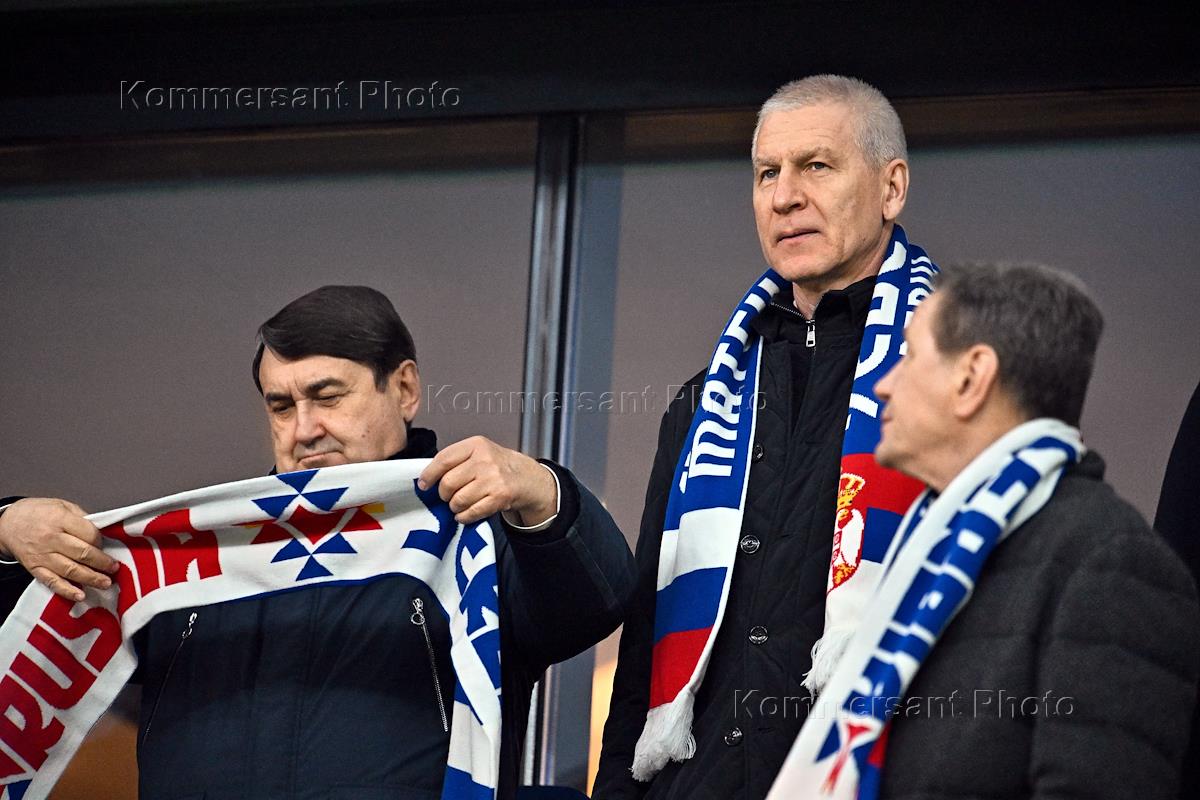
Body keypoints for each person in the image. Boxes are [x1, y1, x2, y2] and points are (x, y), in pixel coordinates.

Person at [0, 285, 637, 800]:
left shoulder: (473, 528)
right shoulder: (190, 549)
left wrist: (545, 494)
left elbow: (598, 602)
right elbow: (28, 640)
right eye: (281, 407)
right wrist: (6, 530)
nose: (304, 429)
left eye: (326, 396)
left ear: (404, 388)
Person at [595, 74, 937, 799]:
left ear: (892, 188)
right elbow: (646, 636)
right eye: (766, 173)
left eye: (816, 166)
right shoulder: (705, 401)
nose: (784, 197)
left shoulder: (955, 385)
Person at [767, 263, 1199, 798]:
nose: (883, 385)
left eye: (907, 356)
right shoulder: (935, 548)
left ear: (972, 378)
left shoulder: (1113, 566)